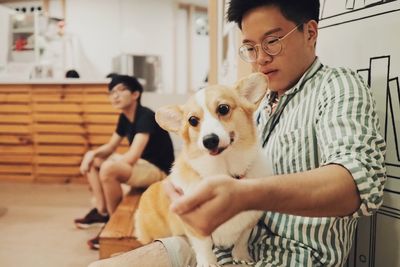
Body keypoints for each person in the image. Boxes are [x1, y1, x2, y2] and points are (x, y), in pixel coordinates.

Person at [89, 0, 386, 266]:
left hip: (290, 256)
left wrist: (247, 195)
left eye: (272, 41)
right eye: (250, 48)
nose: (261, 58)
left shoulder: (338, 88)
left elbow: (359, 182)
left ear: (310, 33)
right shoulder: (258, 102)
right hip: (216, 244)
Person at [75, 74, 174, 250]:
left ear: (135, 94)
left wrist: (111, 162)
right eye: (112, 92)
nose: (115, 95)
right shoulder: (124, 118)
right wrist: (92, 153)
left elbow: (132, 156)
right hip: (142, 165)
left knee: (108, 168)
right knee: (96, 161)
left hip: (159, 171)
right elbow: (111, 146)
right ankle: (102, 212)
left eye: (121, 90)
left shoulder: (145, 116)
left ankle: (112, 224)